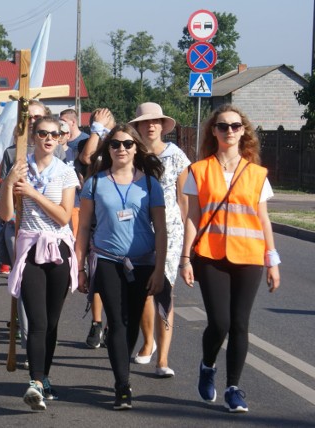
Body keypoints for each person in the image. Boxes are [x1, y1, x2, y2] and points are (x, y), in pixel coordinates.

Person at [180, 104, 281, 413]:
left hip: (249, 256)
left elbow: (263, 220)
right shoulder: (199, 170)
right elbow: (193, 218)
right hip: (210, 255)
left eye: (235, 126)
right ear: (213, 130)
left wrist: (272, 260)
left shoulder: (256, 174)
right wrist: (185, 258)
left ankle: (233, 388)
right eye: (222, 126)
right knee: (220, 322)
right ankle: (208, 365)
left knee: (239, 323)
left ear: (243, 131)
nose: (229, 131)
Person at [75, 124, 167, 410]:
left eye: (127, 144)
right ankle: (122, 385)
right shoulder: (96, 182)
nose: (122, 149)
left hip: (142, 263)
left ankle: (122, 371)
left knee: (130, 322)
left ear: (136, 147)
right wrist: (79, 267)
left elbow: (161, 230)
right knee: (116, 320)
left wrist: (159, 268)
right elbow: (84, 228)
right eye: (115, 144)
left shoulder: (150, 184)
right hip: (107, 260)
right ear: (108, 149)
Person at [0, 116, 80, 411]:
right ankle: (34, 382)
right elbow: (6, 215)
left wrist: (33, 193)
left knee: (53, 322)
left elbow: (63, 215)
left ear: (61, 139)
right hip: (31, 246)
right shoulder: (20, 168)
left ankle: (44, 376)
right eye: (43, 133)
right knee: (37, 320)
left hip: (58, 247)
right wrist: (9, 183)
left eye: (55, 134)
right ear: (33, 136)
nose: (48, 138)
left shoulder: (65, 172)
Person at [129, 102, 190, 377]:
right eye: (145, 122)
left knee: (164, 291)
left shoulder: (176, 155)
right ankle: (147, 343)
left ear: (162, 126)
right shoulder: (132, 154)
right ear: (138, 127)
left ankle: (163, 359)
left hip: (170, 228)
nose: (150, 126)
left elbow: (184, 199)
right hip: (140, 228)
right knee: (142, 291)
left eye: (155, 122)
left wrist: (186, 235)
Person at [78, 107, 115, 350]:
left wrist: (108, 132)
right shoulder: (88, 145)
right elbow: (88, 158)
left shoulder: (119, 146)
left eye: (107, 124)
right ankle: (96, 322)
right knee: (97, 277)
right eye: (99, 125)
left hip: (117, 221)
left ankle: (114, 324)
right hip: (95, 221)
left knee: (116, 280)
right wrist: (97, 129)